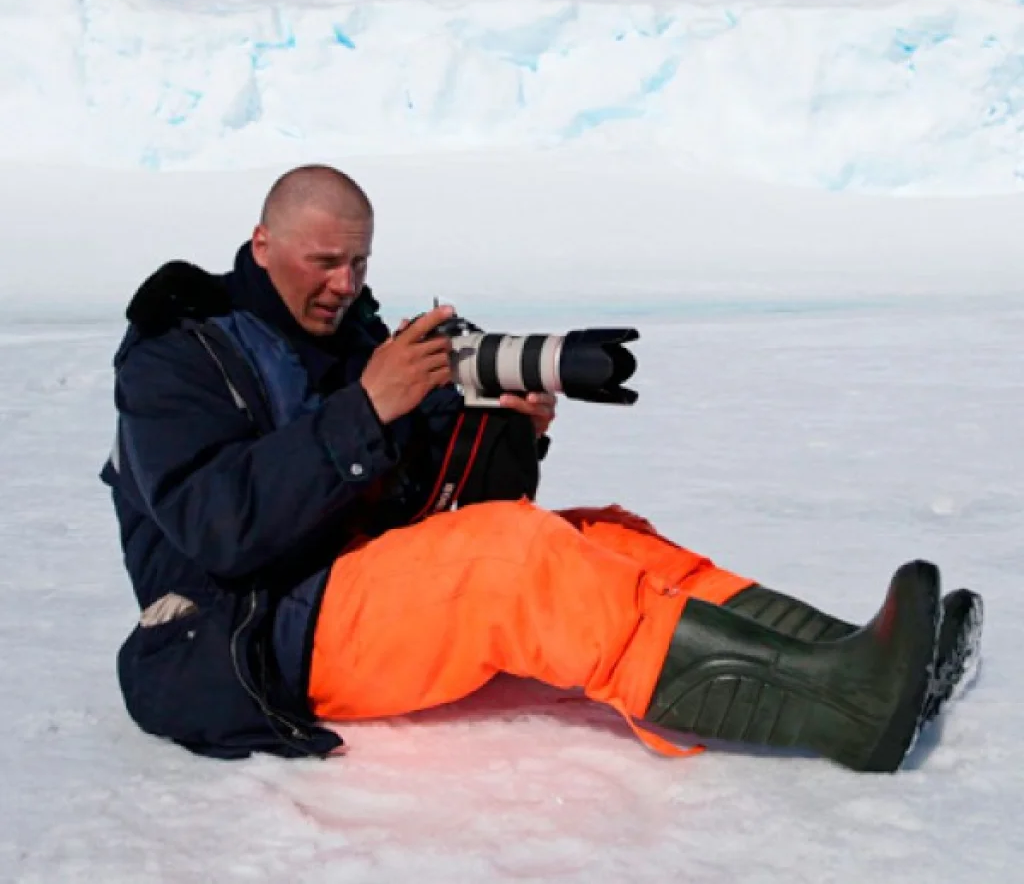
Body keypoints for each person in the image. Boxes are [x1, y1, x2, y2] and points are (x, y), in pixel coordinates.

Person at [100, 164, 982, 773]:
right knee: (511, 561)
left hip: (346, 584)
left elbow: (451, 502)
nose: (345, 282)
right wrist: (366, 409)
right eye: (324, 261)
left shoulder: (354, 337)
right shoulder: (177, 353)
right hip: (244, 632)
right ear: (261, 242)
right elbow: (216, 527)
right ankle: (843, 708)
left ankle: (848, 655)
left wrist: (510, 431)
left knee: (603, 537)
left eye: (360, 261)